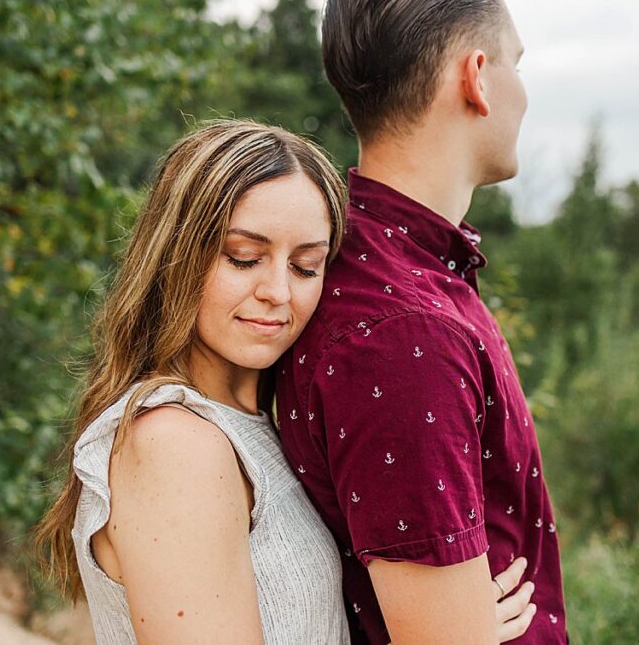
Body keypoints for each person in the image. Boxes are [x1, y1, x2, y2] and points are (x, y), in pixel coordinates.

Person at [35, 120, 534, 644]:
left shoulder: (255, 429)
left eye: (305, 266)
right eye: (244, 258)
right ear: (176, 256)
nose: (277, 291)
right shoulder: (172, 442)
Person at [273, 0, 568, 643]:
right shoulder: (401, 329)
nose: (524, 89)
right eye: (515, 62)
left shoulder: (394, 275)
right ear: (477, 78)